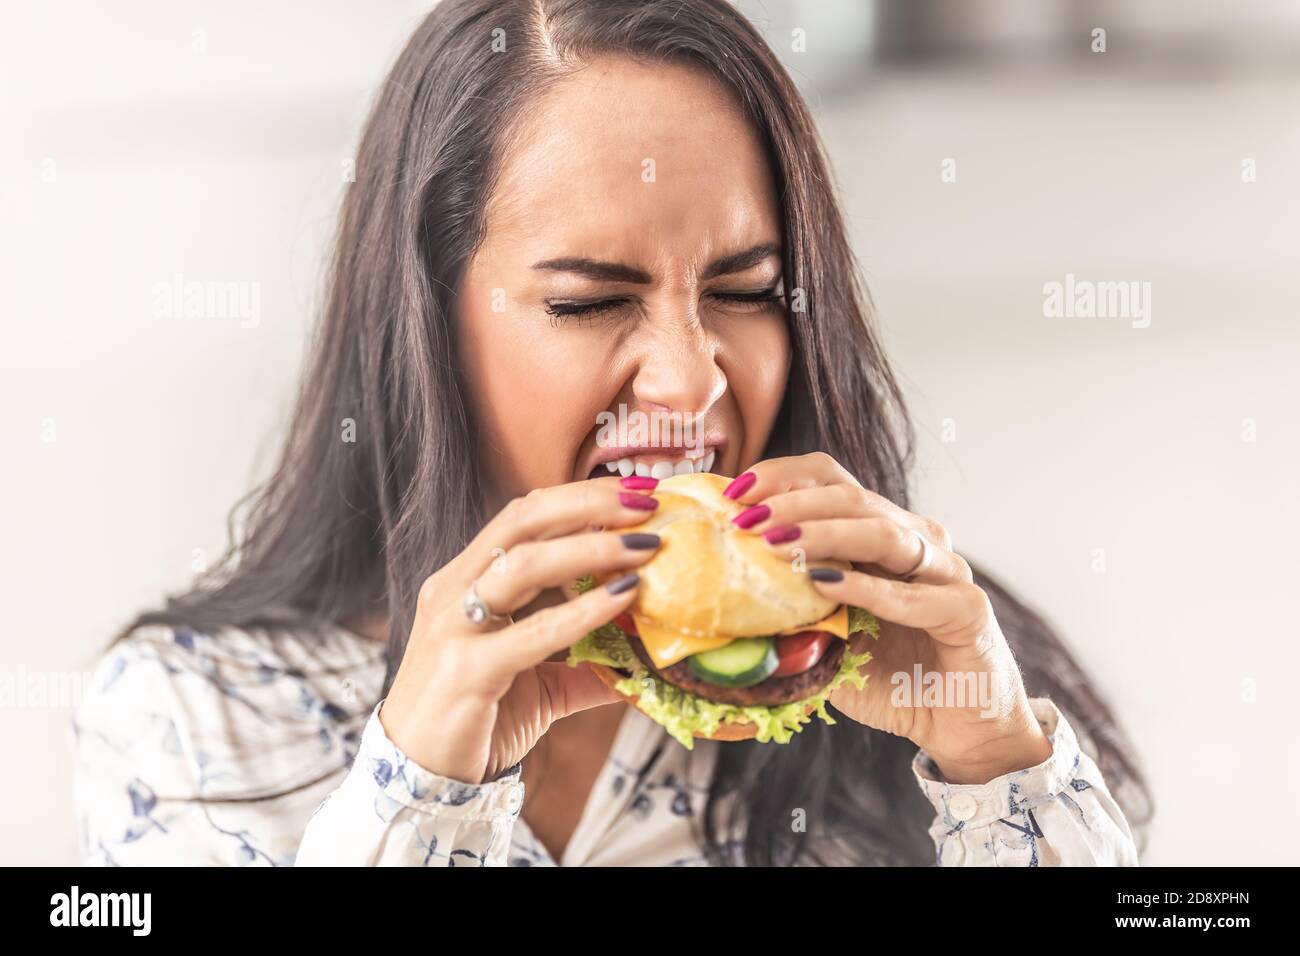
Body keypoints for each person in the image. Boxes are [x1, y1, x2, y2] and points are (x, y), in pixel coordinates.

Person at [74, 0, 1150, 867]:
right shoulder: (192, 719)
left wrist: (995, 767)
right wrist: (417, 790)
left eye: (746, 290)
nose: (687, 380)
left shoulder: (957, 672)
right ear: (427, 323)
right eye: (588, 302)